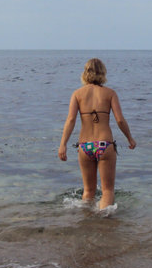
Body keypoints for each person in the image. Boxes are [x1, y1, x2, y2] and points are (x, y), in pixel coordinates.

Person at [58, 58, 137, 210]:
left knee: (88, 191)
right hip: (105, 145)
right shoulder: (110, 93)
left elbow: (71, 120)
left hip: (84, 147)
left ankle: (87, 223)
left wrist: (63, 144)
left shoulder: (77, 94)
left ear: (85, 73)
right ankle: (105, 222)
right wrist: (130, 138)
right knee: (107, 190)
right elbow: (120, 120)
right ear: (103, 73)